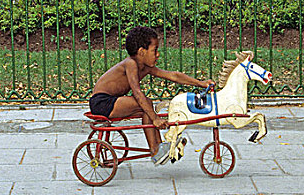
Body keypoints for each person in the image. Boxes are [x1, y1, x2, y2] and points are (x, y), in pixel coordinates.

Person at [89, 26, 215, 165]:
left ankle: (159, 148)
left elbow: (173, 76)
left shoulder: (145, 67)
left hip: (112, 101)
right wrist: (155, 119)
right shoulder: (130, 64)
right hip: (101, 102)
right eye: (154, 50)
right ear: (142, 52)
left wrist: (200, 83)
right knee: (146, 104)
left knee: (146, 108)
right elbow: (136, 92)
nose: (158, 54)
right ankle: (155, 151)